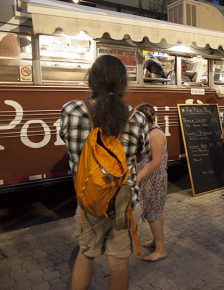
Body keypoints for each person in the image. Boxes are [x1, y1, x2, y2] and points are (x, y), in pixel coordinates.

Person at [60, 55, 150, 290]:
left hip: (88, 201)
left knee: (85, 254)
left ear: (91, 79)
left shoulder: (71, 111)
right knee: (119, 263)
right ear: (123, 84)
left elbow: (67, 144)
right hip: (124, 203)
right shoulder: (138, 118)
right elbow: (142, 155)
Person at [135, 103, 168, 262]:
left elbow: (155, 162)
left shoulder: (155, 134)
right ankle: (157, 241)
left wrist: (138, 177)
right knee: (156, 211)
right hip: (152, 177)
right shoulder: (152, 131)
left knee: (152, 213)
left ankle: (161, 249)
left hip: (153, 179)